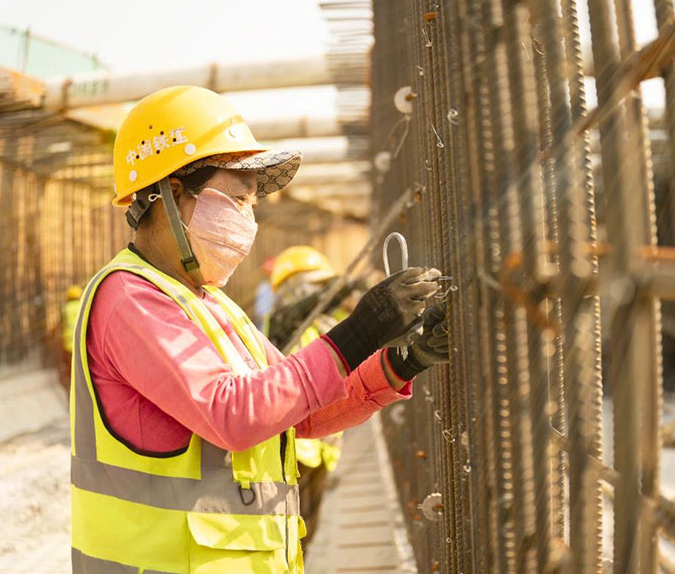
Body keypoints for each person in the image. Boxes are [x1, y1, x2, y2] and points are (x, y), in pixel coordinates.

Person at [69, 85, 450, 573]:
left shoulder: (209, 303)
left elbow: (299, 411)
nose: (247, 219)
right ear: (169, 194)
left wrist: (403, 360)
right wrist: (358, 331)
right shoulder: (129, 299)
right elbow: (233, 413)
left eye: (252, 204)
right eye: (236, 199)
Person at [268, 245, 349, 544]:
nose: (324, 293)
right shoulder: (281, 324)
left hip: (322, 450)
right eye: (316, 285)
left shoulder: (327, 325)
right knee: (285, 537)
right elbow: (292, 317)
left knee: (306, 537)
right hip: (292, 449)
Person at [59, 284, 83, 392]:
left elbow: (62, 325)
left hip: (68, 345)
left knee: (71, 369)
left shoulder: (65, 309)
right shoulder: (83, 305)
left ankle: (71, 388)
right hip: (81, 344)